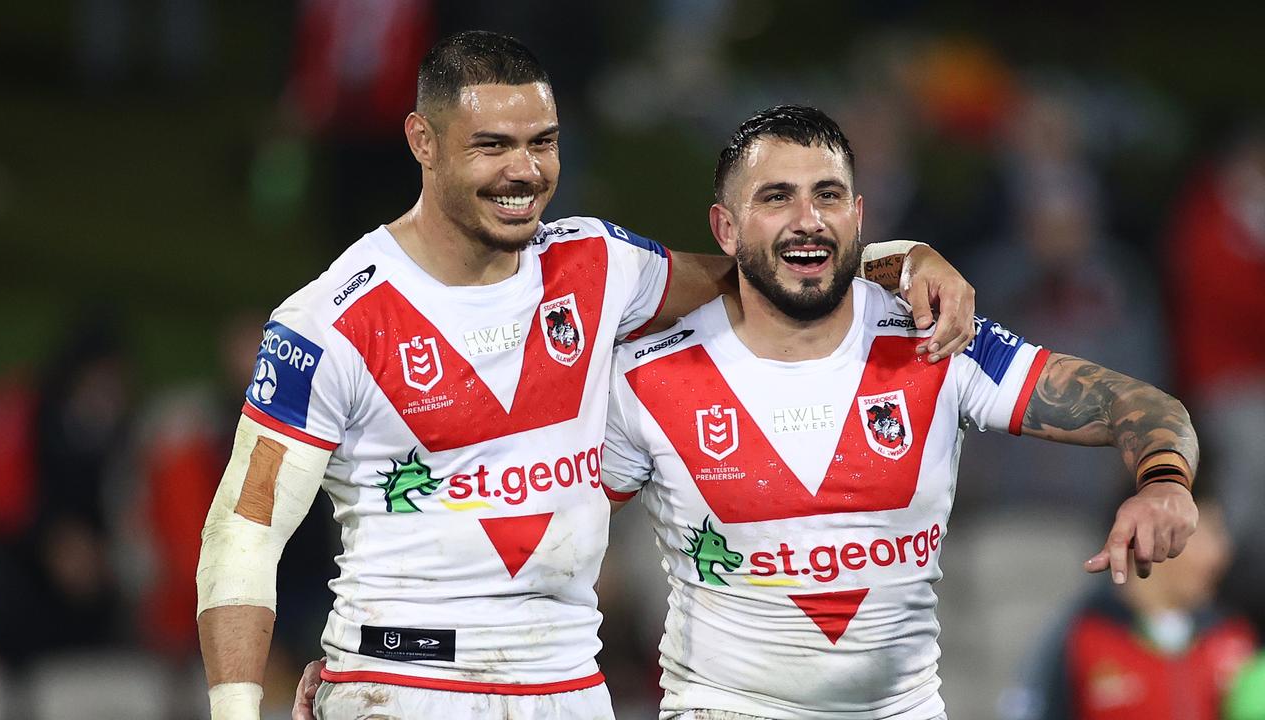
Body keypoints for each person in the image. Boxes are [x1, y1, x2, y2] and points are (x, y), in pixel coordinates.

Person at [197, 31, 977, 720]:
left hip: (569, 688)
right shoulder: (328, 319)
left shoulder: (596, 263)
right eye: (492, 145)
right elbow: (244, 528)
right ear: (422, 141)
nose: (525, 170)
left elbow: (757, 277)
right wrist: (236, 710)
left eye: (543, 141)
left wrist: (892, 259)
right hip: (403, 683)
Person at [596, 105, 1200, 719]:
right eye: (777, 198)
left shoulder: (936, 340)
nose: (808, 220)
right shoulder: (644, 377)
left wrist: (1165, 483)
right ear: (725, 229)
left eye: (827, 195)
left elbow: (1136, 402)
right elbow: (558, 538)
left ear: (857, 216)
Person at [1007, 498, 1256, 720]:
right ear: (1149, 536)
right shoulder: (1078, 635)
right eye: (1203, 534)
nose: (1219, 554)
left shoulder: (1234, 636)